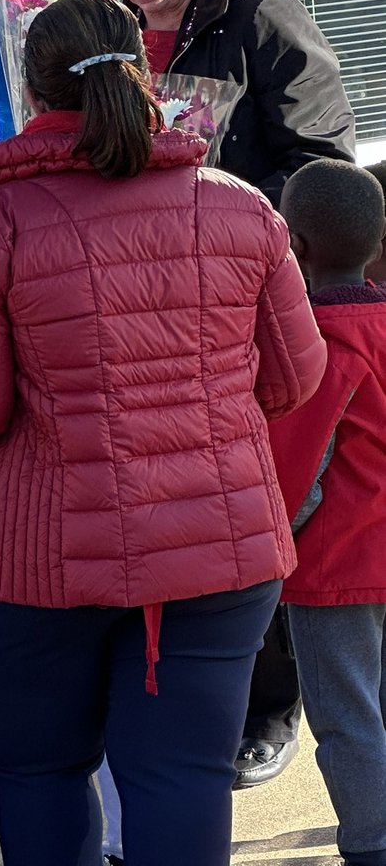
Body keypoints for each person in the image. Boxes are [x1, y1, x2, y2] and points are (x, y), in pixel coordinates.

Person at [0, 0, 326, 866]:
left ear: (32, 91)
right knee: (185, 779)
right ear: (143, 77)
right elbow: (294, 377)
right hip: (215, 546)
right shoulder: (239, 207)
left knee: (40, 775)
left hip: (36, 559)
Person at [74, 0, 356, 788]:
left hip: (251, 300)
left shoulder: (264, 20)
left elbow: (324, 166)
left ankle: (272, 706)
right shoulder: (107, 31)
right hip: (148, 309)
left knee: (258, 501)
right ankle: (193, 691)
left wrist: (221, 212)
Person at [268, 159, 386, 866]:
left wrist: (268, 546)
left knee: (349, 720)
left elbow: (298, 476)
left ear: (295, 245)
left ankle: (373, 847)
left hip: (336, 566)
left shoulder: (313, 345)